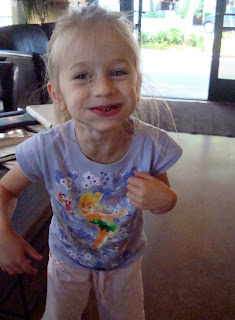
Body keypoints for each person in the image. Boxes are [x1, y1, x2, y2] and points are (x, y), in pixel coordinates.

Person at [0, 3, 182, 320]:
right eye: (83, 75)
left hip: (123, 263)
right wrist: (3, 236)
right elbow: (4, 191)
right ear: (57, 94)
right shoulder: (46, 148)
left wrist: (165, 199)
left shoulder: (149, 146)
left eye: (118, 72)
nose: (103, 88)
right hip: (66, 259)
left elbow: (163, 199)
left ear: (137, 84)